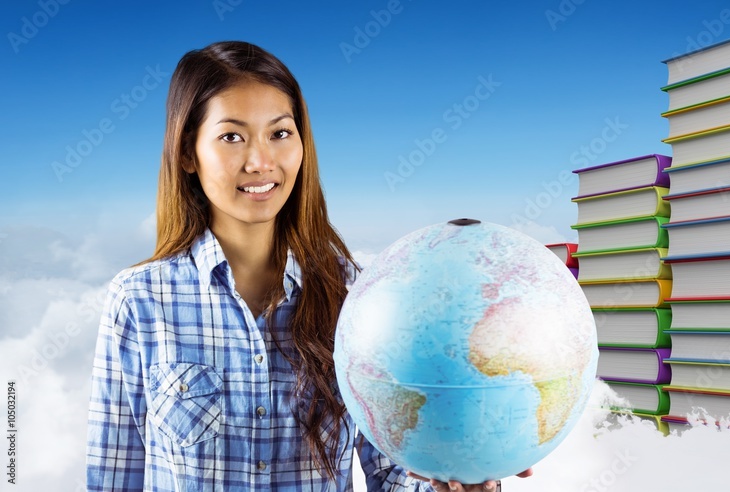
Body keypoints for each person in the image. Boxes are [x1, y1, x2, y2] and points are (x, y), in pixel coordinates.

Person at [85, 41, 529, 492]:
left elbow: (393, 476)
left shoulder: (355, 292)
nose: (261, 162)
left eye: (279, 133)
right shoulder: (139, 299)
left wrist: (467, 475)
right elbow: (112, 479)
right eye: (232, 136)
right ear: (186, 153)